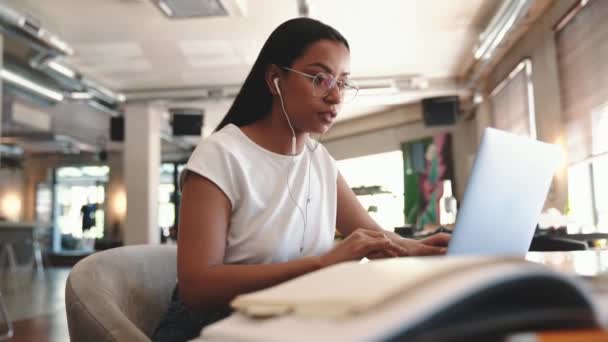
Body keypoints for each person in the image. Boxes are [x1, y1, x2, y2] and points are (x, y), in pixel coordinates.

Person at [153, 17, 450, 342]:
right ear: (275, 80)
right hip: (220, 326)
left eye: (342, 82)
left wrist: (420, 248)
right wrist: (321, 264)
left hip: (294, 322)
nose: (335, 97)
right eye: (320, 78)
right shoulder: (221, 155)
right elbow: (197, 287)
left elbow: (374, 235)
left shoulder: (319, 160)